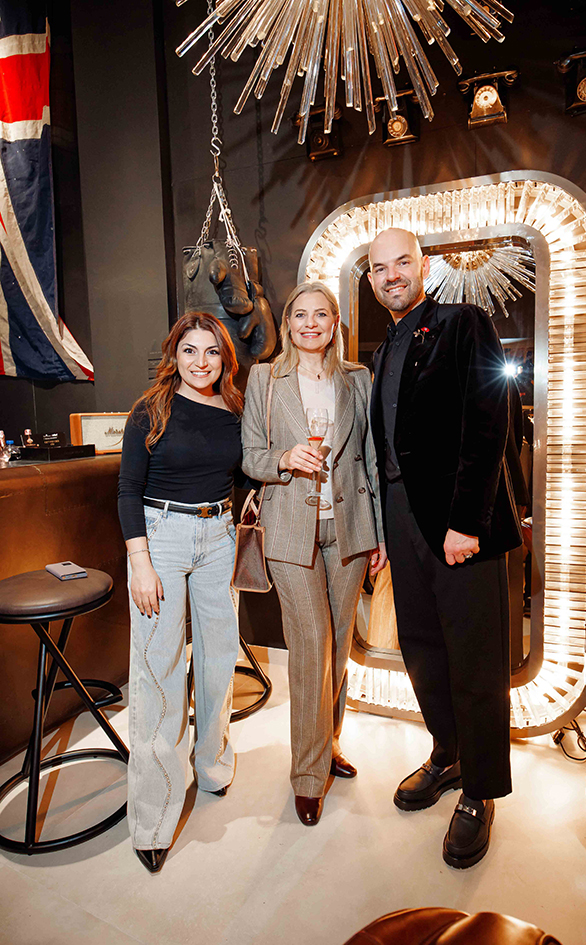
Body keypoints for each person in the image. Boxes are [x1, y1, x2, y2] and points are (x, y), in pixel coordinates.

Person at [367, 228, 522, 869]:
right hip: (401, 520)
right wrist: (381, 530)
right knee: (422, 647)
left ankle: (480, 792)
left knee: (475, 659)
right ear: (371, 279)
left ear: (423, 266)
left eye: (402, 262)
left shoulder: (463, 323)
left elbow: (488, 422)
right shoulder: (381, 351)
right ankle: (447, 754)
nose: (392, 275)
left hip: (462, 522)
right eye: (380, 268)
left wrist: (466, 522)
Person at [241, 282, 387, 826]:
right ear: (287, 323)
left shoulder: (357, 378)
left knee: (340, 643)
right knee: (311, 643)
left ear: (334, 324)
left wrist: (379, 534)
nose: (310, 323)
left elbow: (371, 458)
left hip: (349, 528)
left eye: (320, 314)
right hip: (289, 528)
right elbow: (250, 456)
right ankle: (307, 775)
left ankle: (329, 744)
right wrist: (284, 458)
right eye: (300, 315)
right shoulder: (264, 378)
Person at [118, 311, 244, 873]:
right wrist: (140, 563)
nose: (200, 362)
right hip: (160, 537)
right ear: (174, 355)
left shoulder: (235, 409)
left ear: (224, 360)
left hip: (219, 535)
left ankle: (211, 765)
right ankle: (153, 817)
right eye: (189, 350)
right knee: (158, 670)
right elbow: (128, 489)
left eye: (211, 352)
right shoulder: (151, 409)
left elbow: (246, 471)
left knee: (217, 661)